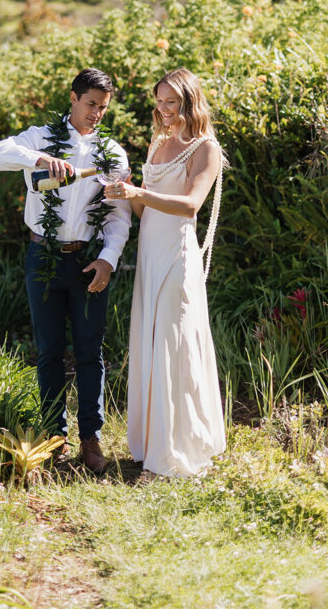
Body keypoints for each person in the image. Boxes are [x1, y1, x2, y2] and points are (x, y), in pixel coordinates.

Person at [0, 67, 130, 473]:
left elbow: (118, 214)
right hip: (42, 256)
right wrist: (39, 158)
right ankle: (54, 437)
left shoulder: (113, 153)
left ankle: (91, 438)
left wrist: (108, 259)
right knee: (48, 351)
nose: (96, 113)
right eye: (91, 104)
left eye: (103, 108)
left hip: (88, 261)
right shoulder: (40, 137)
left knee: (90, 351)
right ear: (73, 98)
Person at [104, 66, 226, 477]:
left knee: (174, 342)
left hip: (177, 254)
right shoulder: (158, 143)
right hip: (150, 254)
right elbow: (144, 210)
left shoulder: (205, 148)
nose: (164, 108)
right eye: (159, 101)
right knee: (152, 339)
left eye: (171, 101)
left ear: (189, 101)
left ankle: (173, 452)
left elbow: (190, 205)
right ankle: (151, 444)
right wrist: (125, 190)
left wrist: (139, 191)